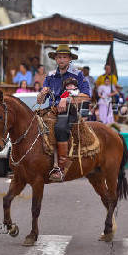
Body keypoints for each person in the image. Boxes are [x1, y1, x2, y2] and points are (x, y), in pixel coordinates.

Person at [37, 44, 90, 182]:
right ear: (55, 59)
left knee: (60, 128)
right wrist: (41, 94)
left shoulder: (77, 74)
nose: (61, 59)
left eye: (64, 57)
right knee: (32, 125)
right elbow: (41, 100)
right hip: (51, 110)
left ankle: (61, 167)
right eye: (59, 57)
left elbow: (86, 96)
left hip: (69, 110)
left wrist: (67, 99)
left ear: (69, 59)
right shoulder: (50, 76)